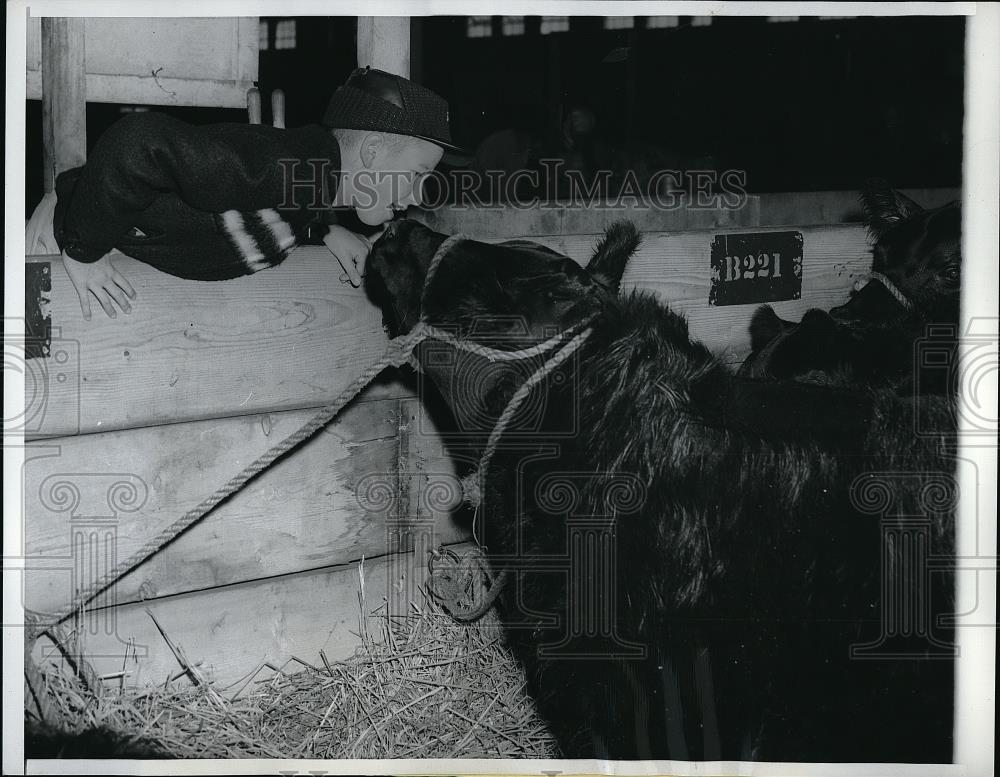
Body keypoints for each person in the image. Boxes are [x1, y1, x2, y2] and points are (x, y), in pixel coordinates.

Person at [53, 67, 460, 319]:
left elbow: (253, 211)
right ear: (371, 152)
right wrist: (83, 249)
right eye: (418, 173)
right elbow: (137, 141)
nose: (416, 195)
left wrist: (320, 231)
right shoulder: (283, 165)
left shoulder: (309, 183)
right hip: (67, 232)